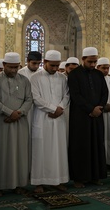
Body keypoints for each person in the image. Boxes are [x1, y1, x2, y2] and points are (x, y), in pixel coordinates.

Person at [0, 52, 33, 197]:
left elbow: (29, 100)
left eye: (16, 67)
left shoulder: (25, 80)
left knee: (20, 153)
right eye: (10, 67)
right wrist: (9, 113)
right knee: (0, 153)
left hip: (20, 122)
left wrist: (18, 113)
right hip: (1, 122)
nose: (14, 70)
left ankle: (19, 185)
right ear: (3, 65)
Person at [68, 47, 108, 187]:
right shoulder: (74, 75)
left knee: (97, 144)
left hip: (97, 116)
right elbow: (75, 95)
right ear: (83, 59)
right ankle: (79, 178)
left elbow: (104, 93)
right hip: (80, 117)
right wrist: (90, 109)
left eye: (94, 62)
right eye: (90, 62)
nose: (92, 65)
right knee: (81, 146)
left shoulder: (98, 74)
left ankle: (95, 176)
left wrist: (99, 107)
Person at [30, 50, 70, 193]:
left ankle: (56, 180)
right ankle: (39, 182)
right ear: (45, 62)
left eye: (57, 66)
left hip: (59, 118)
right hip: (42, 118)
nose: (54, 68)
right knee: (41, 150)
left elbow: (66, 96)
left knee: (58, 150)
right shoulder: (35, 78)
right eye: (52, 65)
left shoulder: (62, 78)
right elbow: (36, 98)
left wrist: (60, 108)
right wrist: (53, 108)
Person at [96, 57, 110, 165]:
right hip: (98, 113)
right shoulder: (94, 78)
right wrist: (102, 106)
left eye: (107, 68)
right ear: (98, 67)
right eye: (103, 68)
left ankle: (109, 161)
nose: (106, 71)